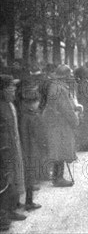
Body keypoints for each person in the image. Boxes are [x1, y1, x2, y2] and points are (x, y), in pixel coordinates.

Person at [41, 65, 79, 187]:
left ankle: (56, 176)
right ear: (65, 76)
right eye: (70, 74)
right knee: (60, 149)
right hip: (59, 123)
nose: (72, 76)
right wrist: (75, 121)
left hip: (54, 122)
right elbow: (66, 109)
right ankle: (58, 178)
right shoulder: (60, 88)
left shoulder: (55, 85)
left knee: (57, 149)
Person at [0, 75, 27, 222]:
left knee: (13, 178)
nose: (14, 89)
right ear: (3, 89)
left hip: (13, 146)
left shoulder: (10, 104)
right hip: (4, 149)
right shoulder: (1, 106)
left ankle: (10, 208)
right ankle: (3, 214)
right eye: (11, 86)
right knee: (5, 180)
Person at [17, 82, 46, 211]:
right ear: (32, 103)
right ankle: (29, 202)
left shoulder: (26, 114)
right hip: (30, 149)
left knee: (28, 175)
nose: (38, 105)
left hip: (28, 148)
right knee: (29, 175)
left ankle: (26, 200)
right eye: (37, 102)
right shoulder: (31, 116)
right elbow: (36, 134)